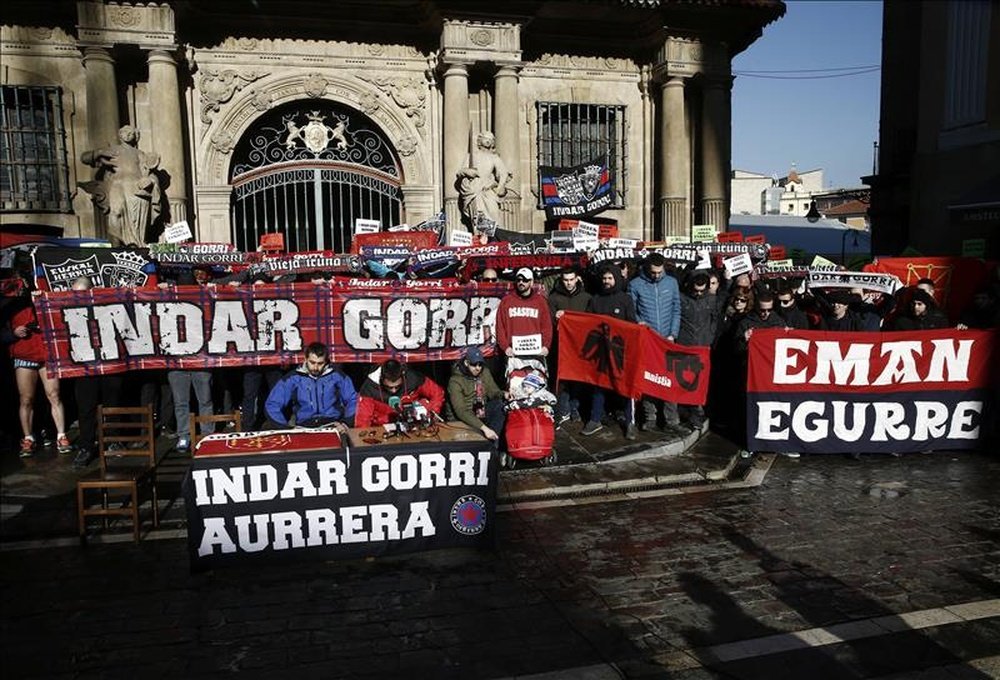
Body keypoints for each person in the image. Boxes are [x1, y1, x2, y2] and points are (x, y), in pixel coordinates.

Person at [2, 286, 70, 457]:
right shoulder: (11, 305)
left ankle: (61, 435)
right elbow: (2, 332)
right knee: (26, 399)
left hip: (47, 354)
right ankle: (28, 438)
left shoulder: (46, 299)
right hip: (24, 354)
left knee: (54, 394)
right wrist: (13, 333)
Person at [67, 276, 125, 468]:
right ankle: (86, 446)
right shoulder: (67, 306)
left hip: (109, 362)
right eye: (75, 293)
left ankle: (113, 440)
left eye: (82, 293)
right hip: (84, 366)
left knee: (113, 405)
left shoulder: (105, 303)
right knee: (86, 409)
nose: (78, 297)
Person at [79, 125, 163, 246]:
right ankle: (117, 244)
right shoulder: (114, 149)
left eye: (131, 132)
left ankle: (136, 245)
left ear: (136, 136)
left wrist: (150, 181)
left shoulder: (140, 154)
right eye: (125, 132)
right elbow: (84, 158)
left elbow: (151, 173)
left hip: (136, 189)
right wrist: (99, 153)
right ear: (120, 135)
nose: (128, 134)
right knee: (116, 212)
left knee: (136, 223)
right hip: (117, 186)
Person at [582, 264, 638, 439]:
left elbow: (632, 323)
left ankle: (630, 422)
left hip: (621, 352)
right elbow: (587, 323)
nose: (606, 281)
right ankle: (595, 418)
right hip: (601, 352)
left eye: (610, 278)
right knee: (599, 386)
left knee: (627, 387)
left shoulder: (625, 299)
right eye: (604, 278)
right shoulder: (595, 299)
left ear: (616, 279)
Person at [628, 253, 682, 433]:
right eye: (653, 272)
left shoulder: (671, 283)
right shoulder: (635, 284)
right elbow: (631, 310)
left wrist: (673, 333)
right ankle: (650, 418)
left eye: (660, 272)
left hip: (667, 339)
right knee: (650, 379)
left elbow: (676, 309)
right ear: (647, 268)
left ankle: (671, 420)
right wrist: (638, 321)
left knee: (669, 379)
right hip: (648, 340)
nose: (657, 276)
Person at [264, 342, 356, 432]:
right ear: (306, 359)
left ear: (326, 361)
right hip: (304, 427)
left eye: (320, 363)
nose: (315, 367)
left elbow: (353, 399)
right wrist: (285, 428)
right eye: (312, 362)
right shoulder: (293, 378)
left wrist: (346, 423)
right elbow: (272, 404)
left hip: (333, 425)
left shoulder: (337, 376)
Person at [548, 267, 591, 426]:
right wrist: (556, 317)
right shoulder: (553, 298)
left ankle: (575, 409)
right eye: (565, 280)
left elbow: (590, 320)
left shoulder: (586, 297)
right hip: (562, 347)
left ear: (577, 279)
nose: (568, 283)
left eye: (571, 280)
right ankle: (563, 410)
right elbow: (549, 322)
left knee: (578, 381)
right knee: (563, 380)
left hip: (581, 347)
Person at [676, 272, 719, 431]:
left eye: (702, 290)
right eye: (696, 290)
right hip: (684, 344)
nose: (699, 293)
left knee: (698, 382)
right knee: (682, 380)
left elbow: (714, 319)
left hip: (702, 346)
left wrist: (709, 337)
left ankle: (695, 413)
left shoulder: (711, 299)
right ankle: (682, 412)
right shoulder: (682, 298)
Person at [355, 358, 445, 428]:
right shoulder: (369, 388)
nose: (393, 391)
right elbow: (363, 420)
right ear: (381, 379)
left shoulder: (414, 378)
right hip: (382, 428)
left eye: (397, 387)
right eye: (389, 387)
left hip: (415, 425)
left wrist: (432, 413)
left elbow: (437, 393)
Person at [446, 347, 505, 443]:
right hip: (463, 418)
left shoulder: (484, 372)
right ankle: (486, 439)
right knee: (476, 431)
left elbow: (493, 392)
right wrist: (485, 428)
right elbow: (461, 411)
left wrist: (503, 394)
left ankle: (494, 446)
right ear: (466, 363)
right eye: (474, 365)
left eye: (480, 364)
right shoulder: (455, 381)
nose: (478, 368)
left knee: (500, 406)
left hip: (480, 411)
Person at [496, 267, 553, 363]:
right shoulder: (506, 301)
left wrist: (546, 346)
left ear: (531, 282)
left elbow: (547, 327)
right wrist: (505, 347)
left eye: (525, 280)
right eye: (519, 280)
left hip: (536, 353)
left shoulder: (540, 301)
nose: (521, 283)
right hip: (513, 353)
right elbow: (500, 327)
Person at [457, 131, 513, 226]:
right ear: (480, 140)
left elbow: (504, 173)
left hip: (487, 190)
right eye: (486, 138)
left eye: (491, 139)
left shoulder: (494, 157)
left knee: (493, 213)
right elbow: (459, 172)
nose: (488, 141)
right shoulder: (471, 156)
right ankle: (480, 238)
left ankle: (492, 237)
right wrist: (468, 171)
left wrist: (498, 188)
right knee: (478, 217)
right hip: (474, 189)